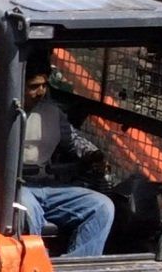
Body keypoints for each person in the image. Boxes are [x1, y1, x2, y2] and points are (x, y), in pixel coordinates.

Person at [17, 55, 115, 257]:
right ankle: (35, 266)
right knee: (26, 209)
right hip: (15, 185)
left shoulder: (52, 113)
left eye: (44, 86)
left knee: (102, 206)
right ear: (17, 83)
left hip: (47, 185)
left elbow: (72, 140)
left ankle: (76, 269)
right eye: (34, 87)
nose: (41, 92)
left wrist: (93, 154)